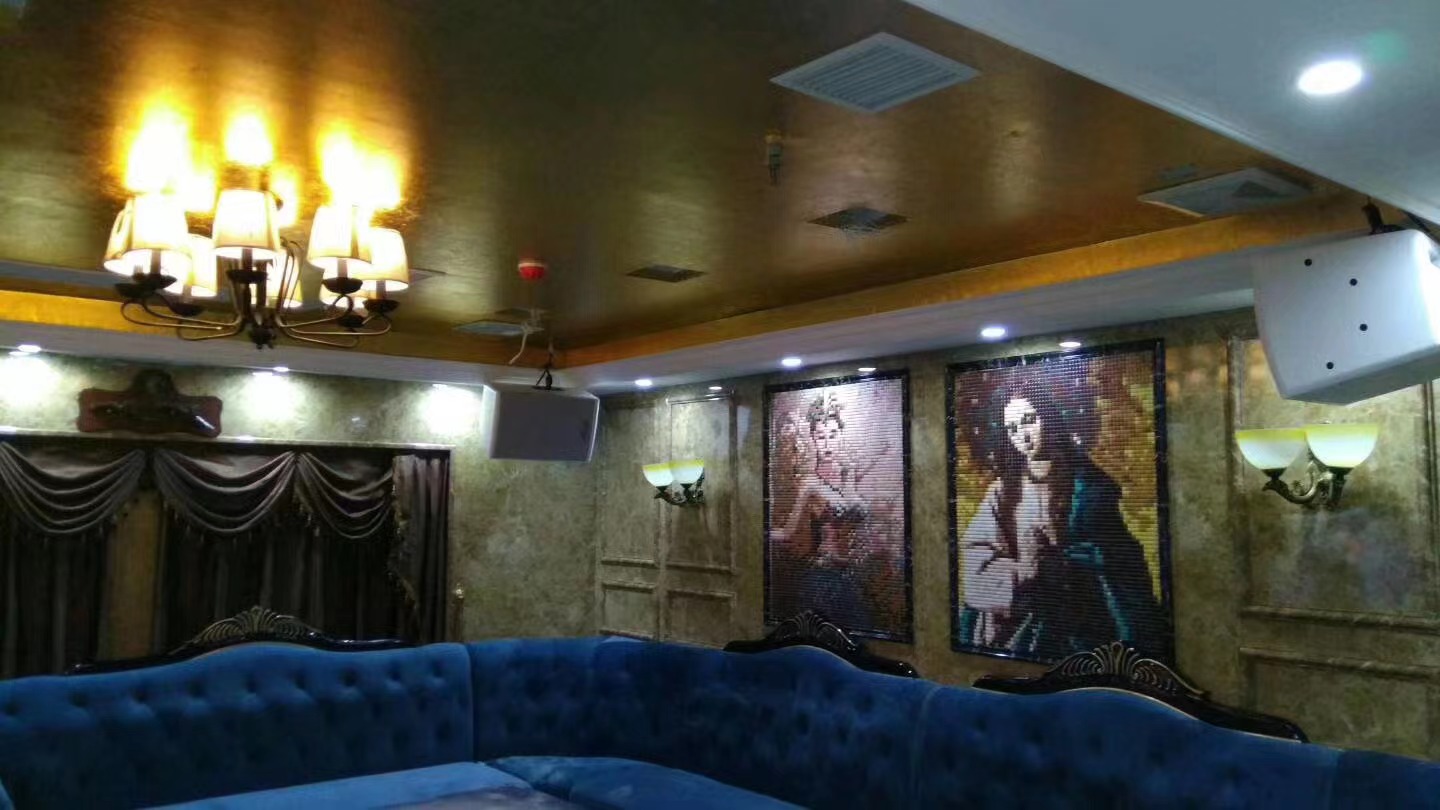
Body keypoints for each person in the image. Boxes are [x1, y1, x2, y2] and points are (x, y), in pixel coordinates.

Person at [958, 382, 1165, 660]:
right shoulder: (1003, 491)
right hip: (1020, 618)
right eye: (1013, 428)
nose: (1023, 435)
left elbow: (1120, 559)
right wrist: (1023, 571)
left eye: (1029, 420)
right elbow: (977, 558)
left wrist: (1069, 562)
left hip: (1081, 620)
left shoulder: (1089, 487)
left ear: (1049, 417)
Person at [770, 390, 893, 632]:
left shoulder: (847, 475)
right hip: (823, 575)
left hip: (851, 573)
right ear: (813, 440)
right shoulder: (810, 483)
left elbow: (855, 507)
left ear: (841, 436)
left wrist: (849, 474)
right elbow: (787, 532)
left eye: (833, 435)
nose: (827, 443)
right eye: (820, 436)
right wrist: (761, 532)